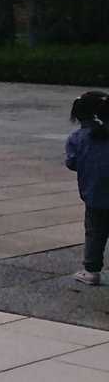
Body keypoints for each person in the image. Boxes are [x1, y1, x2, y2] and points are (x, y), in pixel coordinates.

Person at [67, 91, 109, 286]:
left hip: (95, 195)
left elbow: (72, 163)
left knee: (95, 232)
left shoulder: (78, 138)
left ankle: (91, 271)